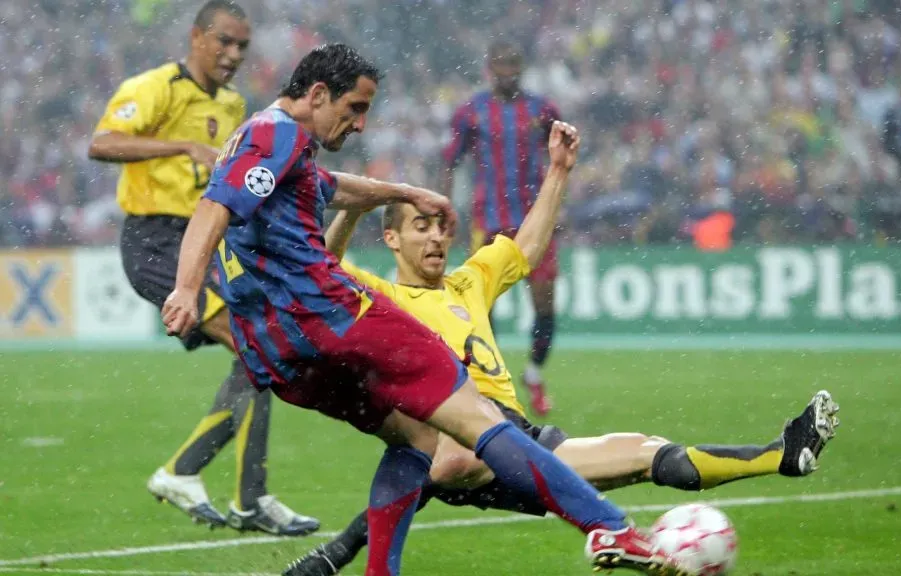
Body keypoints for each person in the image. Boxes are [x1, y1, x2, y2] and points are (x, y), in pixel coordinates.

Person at [161, 42, 682, 576]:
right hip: (334, 317)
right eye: (354, 108)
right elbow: (214, 207)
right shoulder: (277, 133)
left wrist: (406, 191)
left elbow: (331, 188)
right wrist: (185, 287)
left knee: (416, 440)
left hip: (277, 354)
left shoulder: (269, 144)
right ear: (317, 94)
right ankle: (610, 529)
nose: (360, 125)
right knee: (476, 417)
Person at [281, 120, 841, 576]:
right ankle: (347, 551)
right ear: (393, 239)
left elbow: (525, 245)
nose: (435, 237)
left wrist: (558, 171)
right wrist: (354, 206)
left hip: (517, 438)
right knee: (452, 459)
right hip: (462, 435)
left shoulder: (468, 281)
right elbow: (326, 269)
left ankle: (780, 456)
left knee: (645, 451)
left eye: (439, 227)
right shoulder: (381, 295)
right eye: (420, 227)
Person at [88, 0, 318, 535]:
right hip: (154, 242)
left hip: (204, 240)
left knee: (262, 349)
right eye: (224, 42)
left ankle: (226, 488)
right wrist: (182, 146)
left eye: (242, 45)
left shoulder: (236, 105)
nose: (233, 54)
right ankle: (214, 484)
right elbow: (101, 143)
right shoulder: (157, 87)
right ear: (196, 37)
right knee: (253, 348)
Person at [442, 39, 560, 416]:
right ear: (490, 67)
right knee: (481, 306)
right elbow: (451, 161)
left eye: (513, 64)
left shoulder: (542, 111)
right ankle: (488, 382)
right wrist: (443, 210)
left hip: (534, 222)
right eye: (501, 64)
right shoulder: (471, 113)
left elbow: (561, 157)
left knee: (544, 304)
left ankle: (535, 374)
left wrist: (560, 202)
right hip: (488, 222)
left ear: (521, 67)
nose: (508, 72)